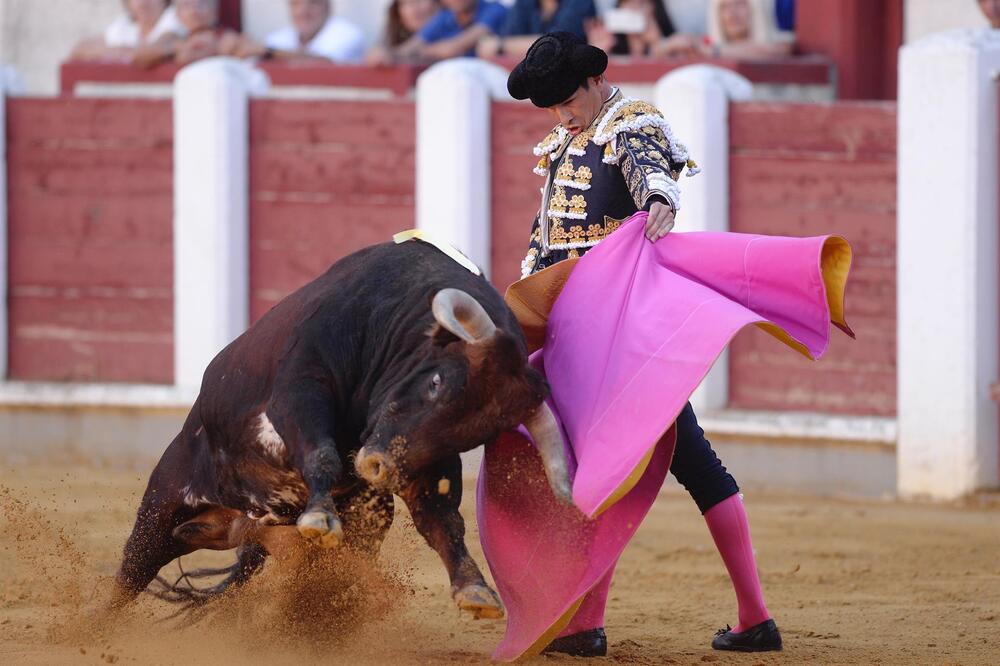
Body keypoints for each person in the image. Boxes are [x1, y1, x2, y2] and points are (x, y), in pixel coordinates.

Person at [497, 32, 785, 657]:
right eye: (551, 107)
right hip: (580, 335)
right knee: (649, 465)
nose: (562, 115)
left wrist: (660, 199)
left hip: (624, 338)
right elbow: (546, 236)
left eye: (568, 101)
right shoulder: (567, 139)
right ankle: (748, 616)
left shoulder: (630, 125)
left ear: (595, 82)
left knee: (625, 467)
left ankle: (594, 625)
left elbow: (654, 177)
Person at [238, 0, 367, 64]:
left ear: (327, 6)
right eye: (296, 3)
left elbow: (325, 63)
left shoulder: (348, 34)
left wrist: (268, 52)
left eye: (312, 3)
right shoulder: (281, 37)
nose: (303, 11)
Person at [380, 0, 507, 63]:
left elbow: (452, 48)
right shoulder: (444, 17)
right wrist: (387, 54)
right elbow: (411, 46)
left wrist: (399, 54)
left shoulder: (494, 10)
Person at [131, 0, 243, 68]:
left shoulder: (226, 37)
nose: (194, 11)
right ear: (178, 14)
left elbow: (255, 49)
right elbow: (139, 57)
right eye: (187, 5)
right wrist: (177, 48)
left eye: (201, 4)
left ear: (214, 11)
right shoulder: (175, 37)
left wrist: (219, 49)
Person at [69, 0, 185, 63]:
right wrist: (118, 51)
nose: (143, 2)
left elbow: (160, 46)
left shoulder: (174, 17)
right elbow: (79, 49)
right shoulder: (125, 25)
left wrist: (125, 53)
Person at [476, 0, 596, 59]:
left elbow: (556, 43)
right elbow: (502, 38)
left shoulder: (579, 2)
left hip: (568, 80)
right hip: (527, 75)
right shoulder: (526, 3)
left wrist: (500, 46)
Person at [585, 0, 701, 58]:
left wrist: (658, 44)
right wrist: (596, 52)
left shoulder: (674, 44)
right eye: (628, 3)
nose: (633, 9)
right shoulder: (609, 43)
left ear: (654, 9)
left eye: (641, 4)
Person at [703, 0, 792, 58]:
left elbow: (778, 50)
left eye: (739, 3)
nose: (732, 13)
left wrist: (715, 51)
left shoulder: (778, 46)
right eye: (724, 6)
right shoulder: (706, 47)